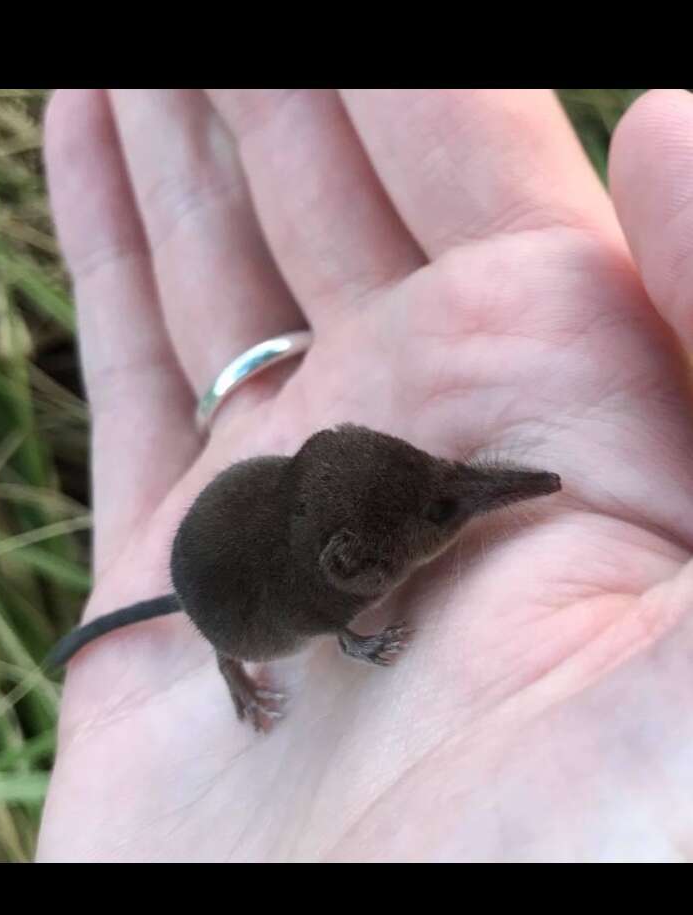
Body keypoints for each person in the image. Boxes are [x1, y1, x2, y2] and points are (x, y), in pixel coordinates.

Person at [36, 88, 693, 863]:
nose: (483, 494)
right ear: (355, 569)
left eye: (442, 479)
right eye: (448, 509)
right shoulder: (310, 605)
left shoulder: (337, 530)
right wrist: (340, 641)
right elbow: (310, 612)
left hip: (256, 540)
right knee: (232, 628)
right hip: (238, 596)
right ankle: (228, 671)